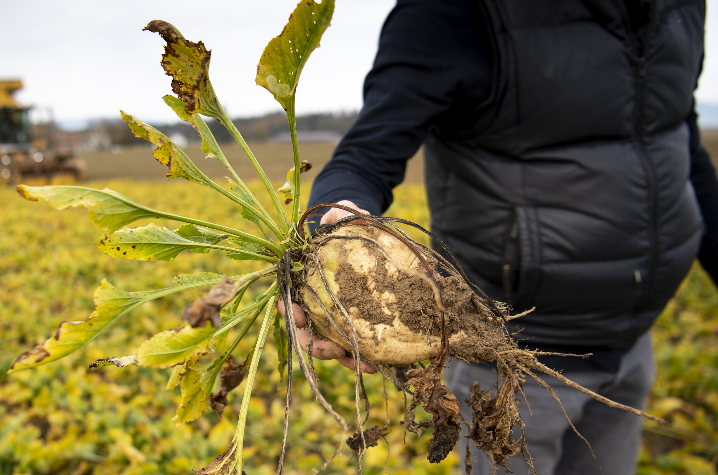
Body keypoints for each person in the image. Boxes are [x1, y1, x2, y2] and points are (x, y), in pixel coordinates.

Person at [279, 0, 715, 474]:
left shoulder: (681, 6)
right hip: (506, 362)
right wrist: (331, 230)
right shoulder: (455, 13)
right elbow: (366, 153)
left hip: (633, 343)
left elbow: (676, 137)